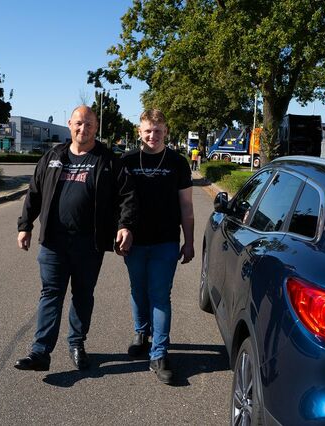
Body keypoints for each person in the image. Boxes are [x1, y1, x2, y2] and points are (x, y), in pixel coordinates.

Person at [15, 105, 137, 371]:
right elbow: (34, 192)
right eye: (79, 123)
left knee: (83, 295)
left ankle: (76, 344)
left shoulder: (107, 160)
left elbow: (127, 195)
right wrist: (25, 225)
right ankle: (40, 352)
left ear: (96, 128)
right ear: (69, 124)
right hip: (54, 243)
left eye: (89, 124)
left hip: (88, 243)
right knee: (51, 293)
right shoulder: (53, 156)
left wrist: (124, 225)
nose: (84, 129)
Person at [120, 109, 194, 384]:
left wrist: (189, 241)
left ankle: (159, 353)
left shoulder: (177, 162)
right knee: (138, 290)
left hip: (165, 241)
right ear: (139, 131)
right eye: (148, 130)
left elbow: (186, 206)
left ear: (166, 132)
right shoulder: (126, 160)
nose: (153, 135)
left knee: (160, 296)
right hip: (134, 242)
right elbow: (116, 202)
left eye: (158, 130)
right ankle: (141, 332)